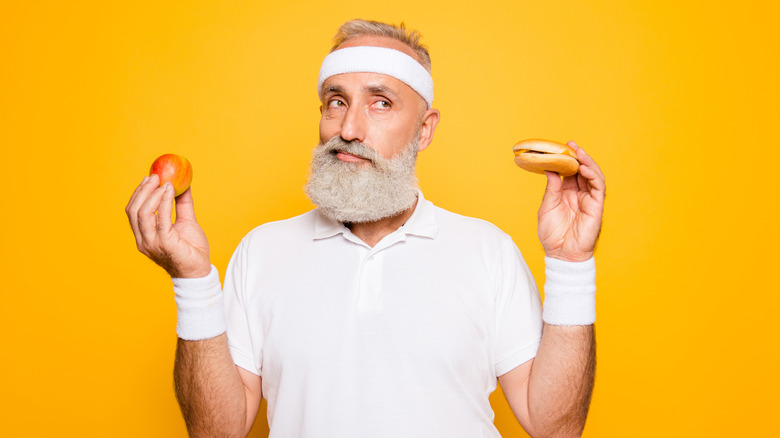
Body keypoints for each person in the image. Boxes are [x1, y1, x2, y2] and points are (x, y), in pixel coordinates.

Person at [125, 19, 605, 438]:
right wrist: (193, 284)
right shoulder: (261, 251)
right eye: (336, 101)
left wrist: (571, 266)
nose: (349, 128)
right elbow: (217, 432)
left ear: (424, 130)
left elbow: (555, 427)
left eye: (380, 103)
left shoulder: (488, 252)